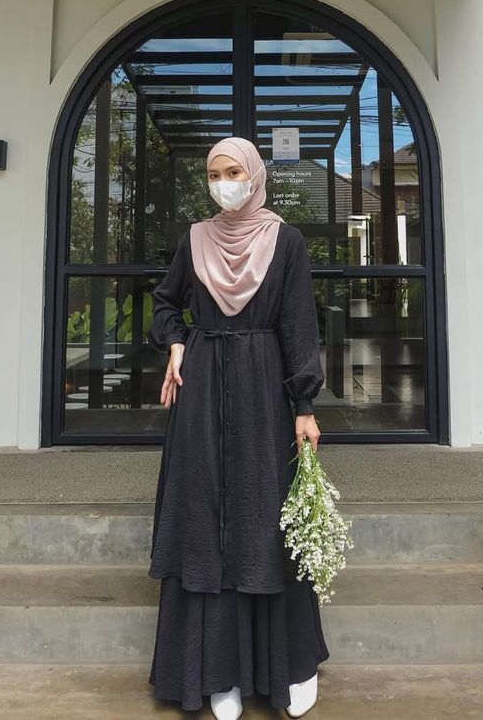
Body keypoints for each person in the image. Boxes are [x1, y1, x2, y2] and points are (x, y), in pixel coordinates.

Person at [147, 137, 329, 719]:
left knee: (264, 518)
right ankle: (216, 670)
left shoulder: (285, 240)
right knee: (205, 519)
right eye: (213, 174)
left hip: (263, 392)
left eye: (233, 172)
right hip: (200, 393)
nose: (223, 183)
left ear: (254, 175)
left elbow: (299, 323)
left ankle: (290, 664)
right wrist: (177, 341)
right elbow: (164, 303)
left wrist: (304, 405)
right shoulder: (195, 240)